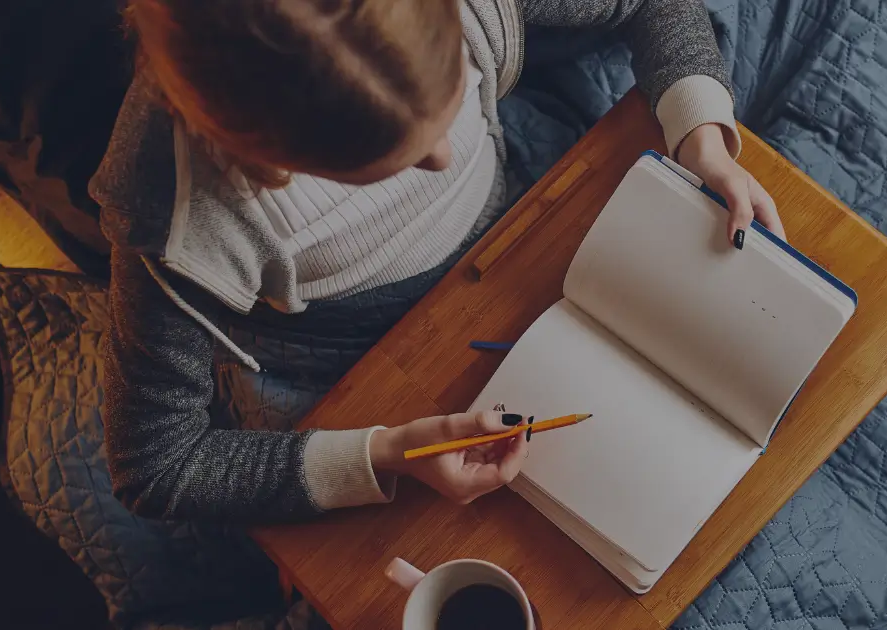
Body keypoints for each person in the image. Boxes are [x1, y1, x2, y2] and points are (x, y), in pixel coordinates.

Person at [92, 0, 786, 524]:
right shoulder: (179, 220)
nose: (445, 159)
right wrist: (386, 454)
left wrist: (702, 137)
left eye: (449, 99)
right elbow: (155, 465)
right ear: (269, 165)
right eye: (384, 163)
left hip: (512, 245)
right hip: (359, 351)